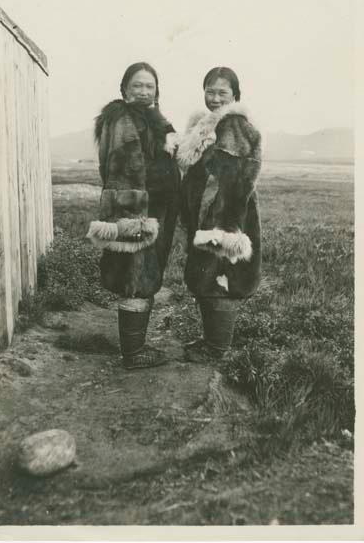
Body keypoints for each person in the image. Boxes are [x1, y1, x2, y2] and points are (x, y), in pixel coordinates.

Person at [87, 62, 180, 369]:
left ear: (157, 91)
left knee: (143, 273)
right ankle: (133, 353)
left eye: (149, 86)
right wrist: (166, 178)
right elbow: (126, 170)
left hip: (153, 209)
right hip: (137, 210)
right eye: (137, 85)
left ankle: (135, 345)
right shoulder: (123, 120)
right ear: (124, 89)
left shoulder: (150, 120)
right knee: (137, 275)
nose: (143, 91)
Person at [177, 67, 262, 362]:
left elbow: (233, 182)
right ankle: (211, 340)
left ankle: (217, 350)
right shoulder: (210, 124)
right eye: (210, 91)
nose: (214, 98)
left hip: (223, 215)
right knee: (208, 275)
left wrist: (222, 225)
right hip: (207, 212)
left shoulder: (234, 126)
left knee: (221, 277)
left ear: (235, 95)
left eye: (222, 92)